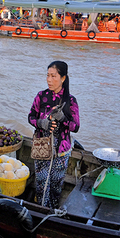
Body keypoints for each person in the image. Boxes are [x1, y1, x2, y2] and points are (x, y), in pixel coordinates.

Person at [28, 61, 80, 209]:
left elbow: (75, 127)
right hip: (42, 147)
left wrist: (63, 118)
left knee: (56, 184)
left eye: (53, 76)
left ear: (63, 78)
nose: (49, 80)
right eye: (47, 75)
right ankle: (41, 209)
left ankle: (53, 210)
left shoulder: (70, 101)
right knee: (42, 182)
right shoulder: (41, 96)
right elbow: (30, 117)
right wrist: (42, 123)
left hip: (61, 150)